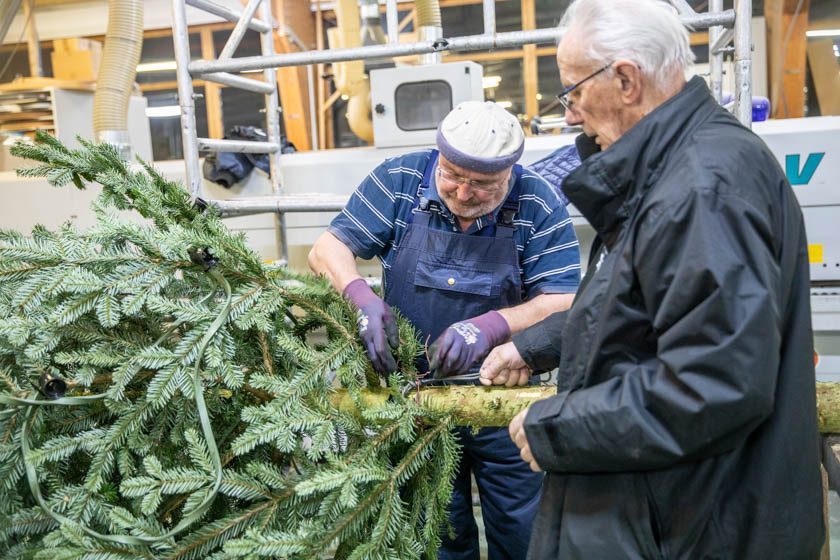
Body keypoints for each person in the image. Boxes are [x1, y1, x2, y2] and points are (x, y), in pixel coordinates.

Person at [478, 0, 825, 558]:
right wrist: (536, 345)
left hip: (691, 527)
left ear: (625, 80)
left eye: (572, 92)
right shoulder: (675, 170)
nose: (568, 114)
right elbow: (642, 306)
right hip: (672, 514)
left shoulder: (699, 189)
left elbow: (713, 384)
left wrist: (556, 429)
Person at [308, 100, 581, 559]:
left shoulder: (537, 202)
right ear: (439, 155)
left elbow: (564, 299)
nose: (464, 192)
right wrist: (361, 297)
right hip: (417, 399)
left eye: (484, 184)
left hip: (504, 399)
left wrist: (494, 325)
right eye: (453, 175)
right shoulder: (400, 179)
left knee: (525, 531)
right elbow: (326, 248)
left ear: (510, 173)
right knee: (438, 532)